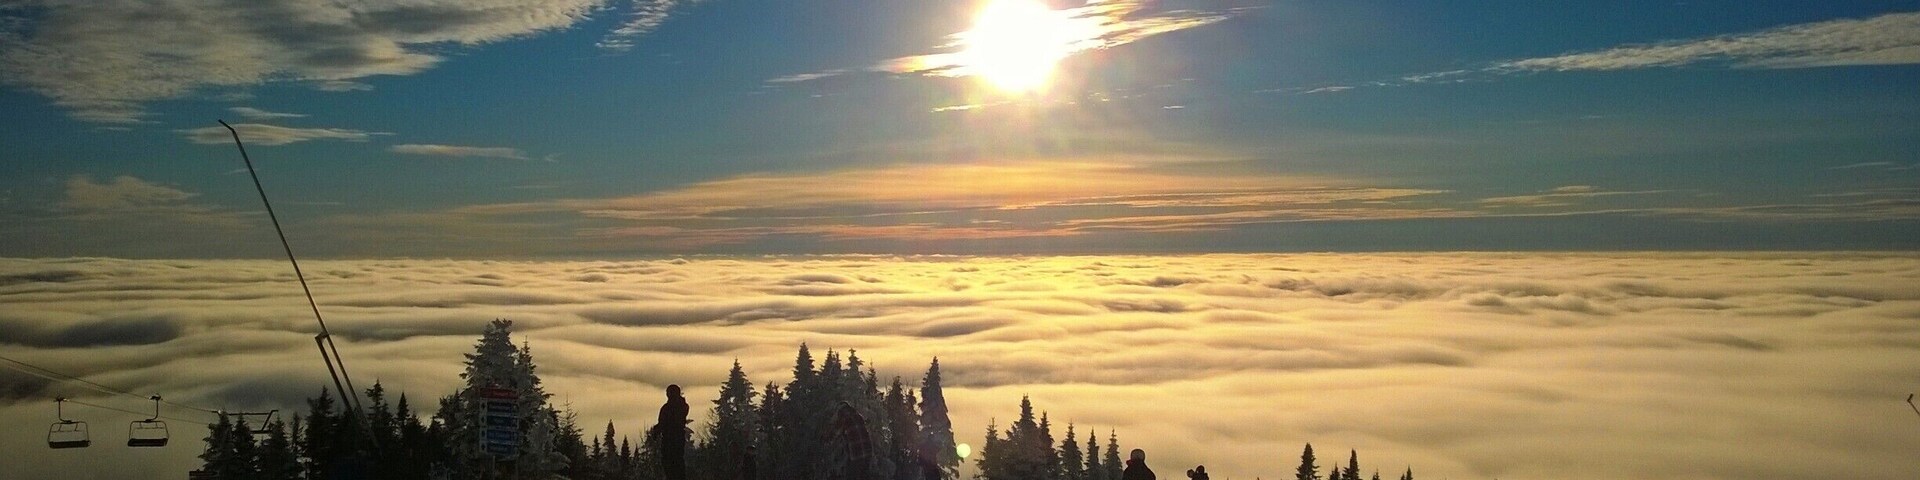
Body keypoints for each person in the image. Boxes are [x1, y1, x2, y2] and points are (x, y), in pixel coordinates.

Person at [657, 384, 691, 480]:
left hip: (669, 441)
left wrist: (656, 431)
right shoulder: (682, 406)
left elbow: (664, 423)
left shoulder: (668, 408)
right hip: (677, 440)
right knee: (678, 464)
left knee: (671, 465)